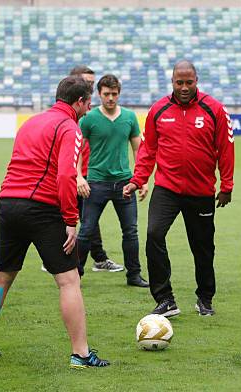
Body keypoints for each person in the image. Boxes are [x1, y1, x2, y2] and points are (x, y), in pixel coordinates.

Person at [0, 76, 109, 369]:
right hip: (41, 208)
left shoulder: (30, 122)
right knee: (69, 280)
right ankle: (81, 354)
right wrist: (71, 220)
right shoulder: (70, 127)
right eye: (88, 101)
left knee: (1, 277)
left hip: (8, 203)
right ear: (79, 102)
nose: (89, 106)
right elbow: (67, 176)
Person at [123, 60, 234, 317]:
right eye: (179, 83)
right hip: (167, 189)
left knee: (203, 247)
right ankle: (165, 298)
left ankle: (205, 298)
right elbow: (148, 149)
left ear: (197, 81)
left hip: (201, 191)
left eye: (189, 82)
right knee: (153, 235)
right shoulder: (159, 110)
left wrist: (227, 185)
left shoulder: (214, 109)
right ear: (172, 82)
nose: (184, 87)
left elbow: (226, 150)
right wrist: (138, 179)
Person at [40, 66, 120, 275]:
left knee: (88, 219)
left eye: (93, 83)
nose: (91, 86)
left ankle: (99, 257)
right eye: (87, 82)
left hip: (90, 174)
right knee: (72, 218)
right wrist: (77, 176)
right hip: (73, 175)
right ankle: (55, 258)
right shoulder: (68, 116)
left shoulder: (89, 112)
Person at [76, 74, 148, 287]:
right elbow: (77, 150)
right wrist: (79, 176)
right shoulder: (88, 119)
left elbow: (138, 149)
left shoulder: (129, 117)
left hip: (125, 184)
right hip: (95, 183)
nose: (110, 98)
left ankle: (133, 275)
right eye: (106, 94)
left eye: (114, 94)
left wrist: (141, 179)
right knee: (86, 230)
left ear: (119, 93)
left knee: (131, 231)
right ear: (99, 94)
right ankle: (74, 274)